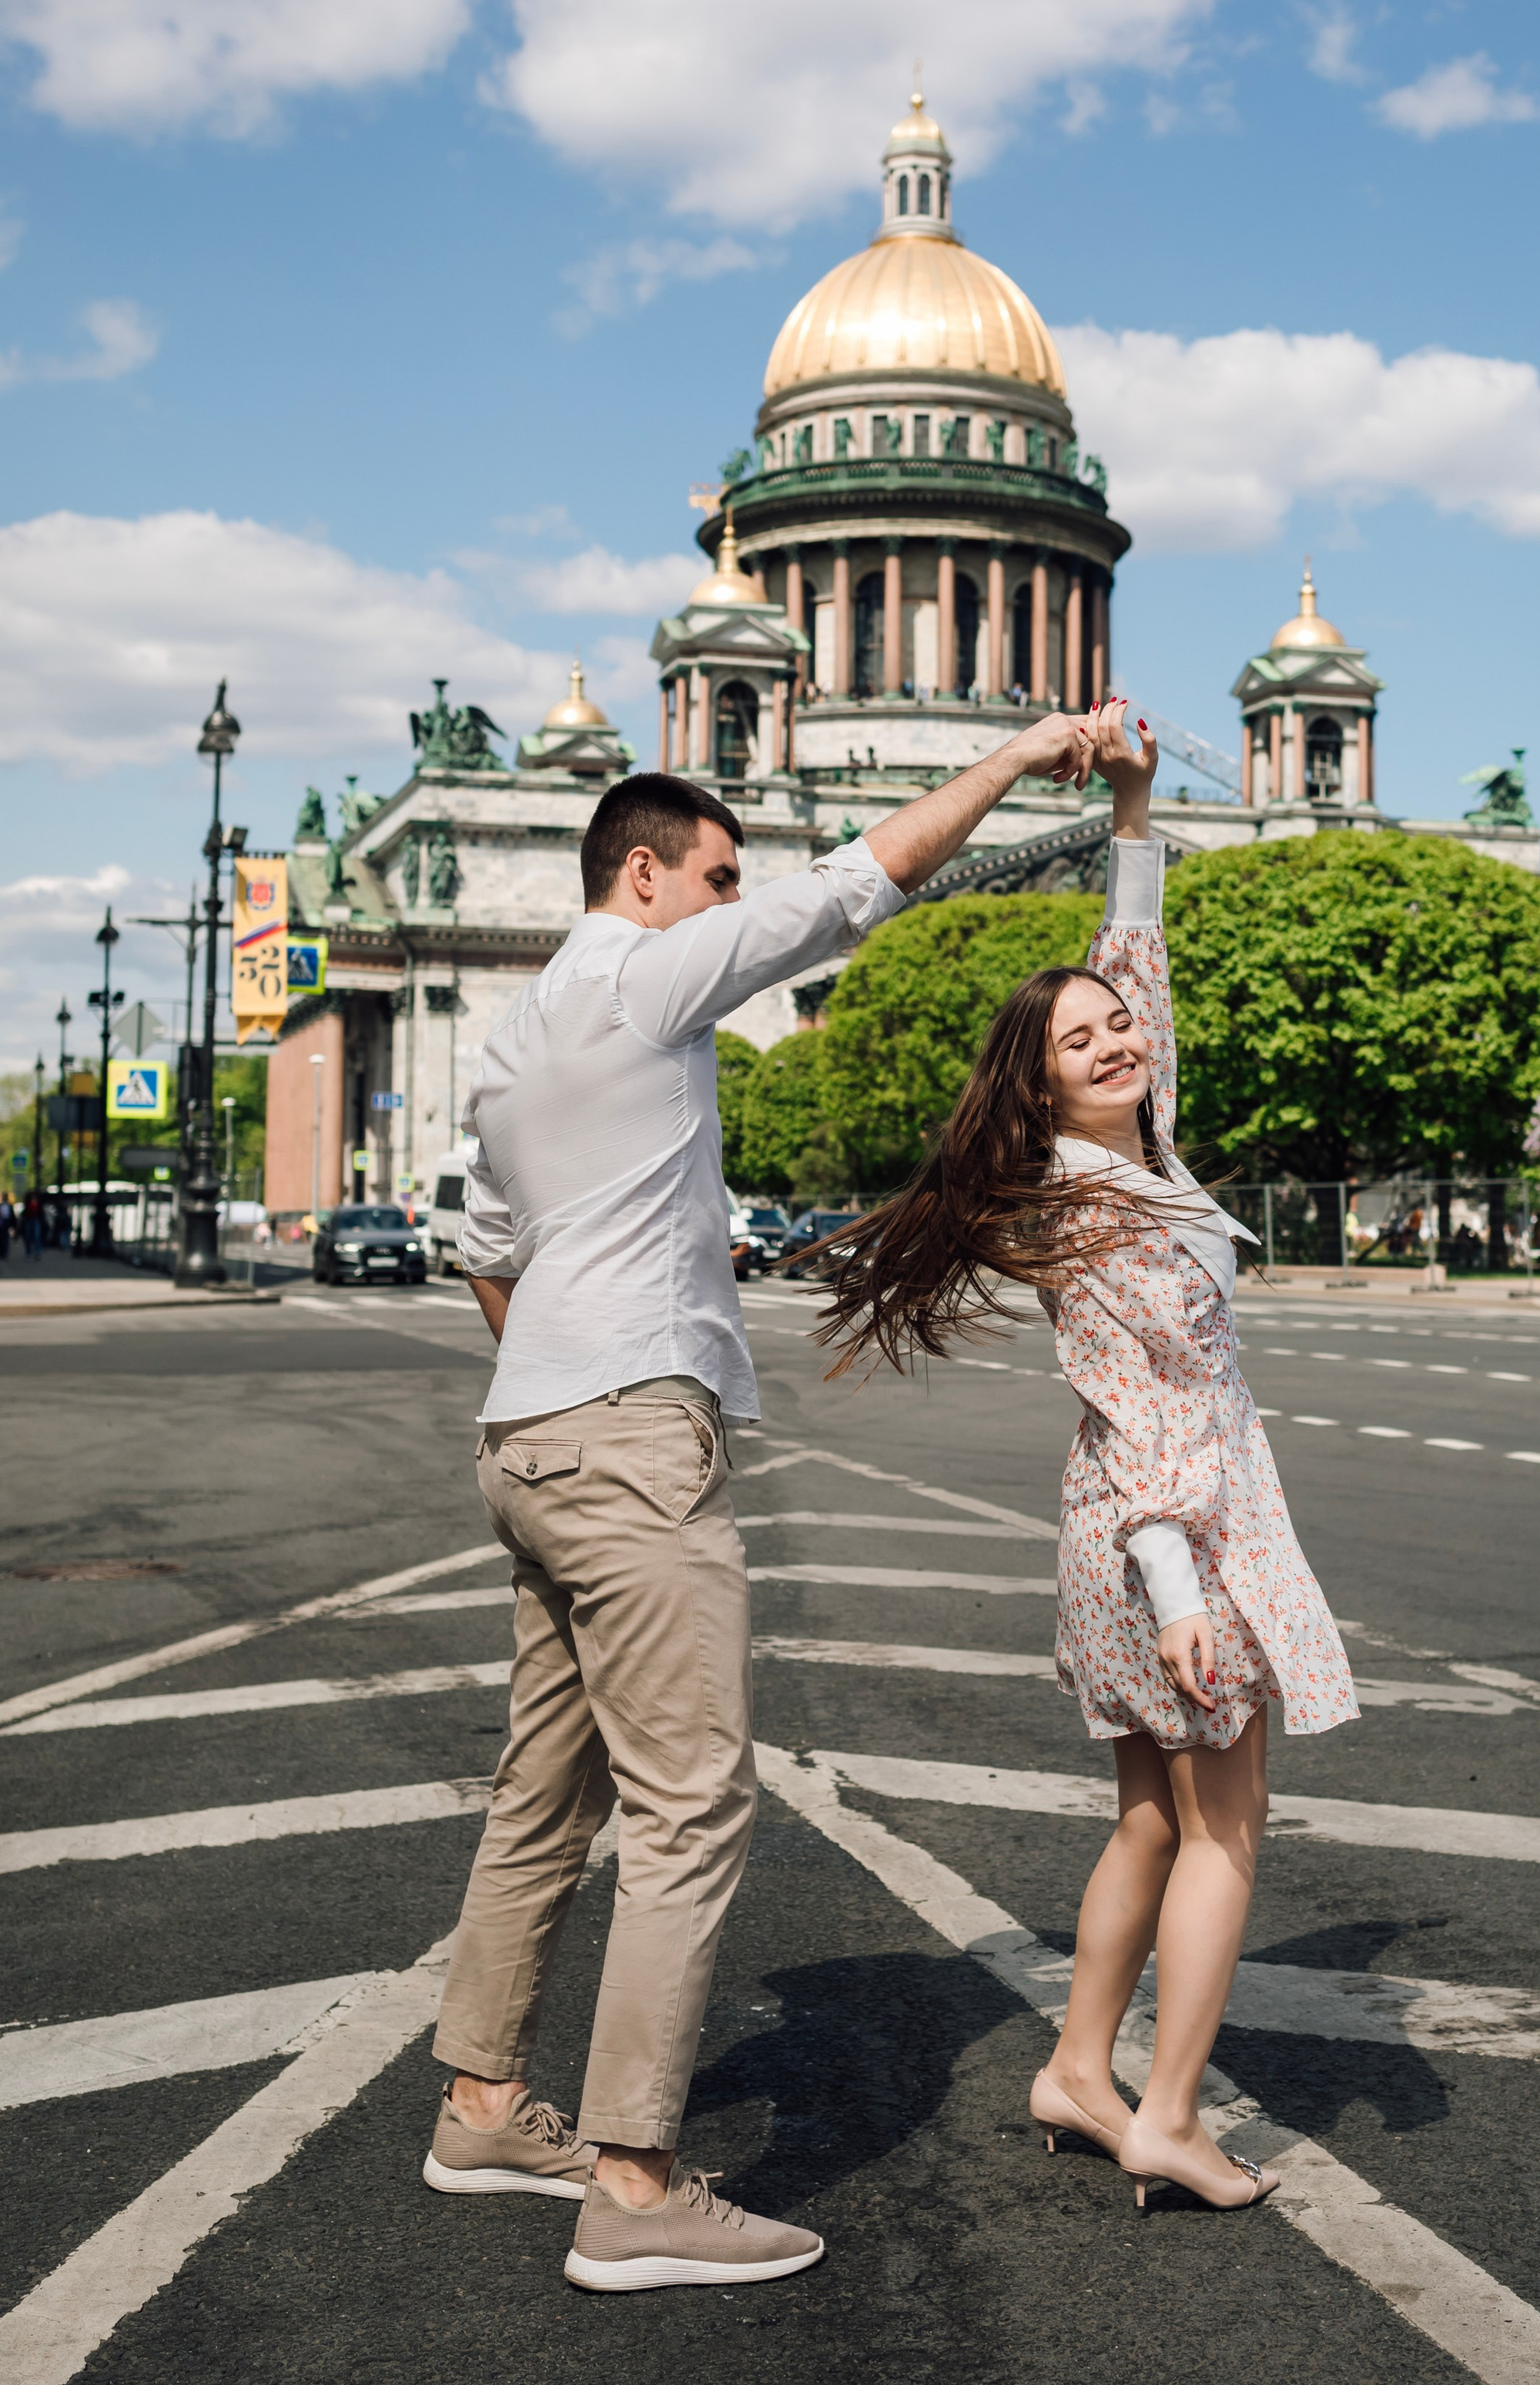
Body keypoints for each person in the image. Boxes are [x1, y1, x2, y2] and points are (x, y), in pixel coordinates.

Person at [427, 724, 1093, 2294]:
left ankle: (480, 2106)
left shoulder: (514, 1038)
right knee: (690, 1804)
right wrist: (1023, 754)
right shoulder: (645, 979)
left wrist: (558, 1370)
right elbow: (865, 881)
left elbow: (486, 1249)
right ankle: (634, 2186)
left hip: (527, 1437)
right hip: (628, 1444)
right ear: (643, 874)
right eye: (719, 877)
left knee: (545, 1791)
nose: (736, 902)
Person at [820, 704, 1357, 2212]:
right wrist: (1180, 1594)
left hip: (1140, 1528)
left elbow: (1135, 959)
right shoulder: (1091, 1210)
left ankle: (1074, 2066)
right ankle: (1169, 2113)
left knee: (1149, 1813)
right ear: (1038, 1085)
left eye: (1119, 1025)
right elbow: (1138, 1417)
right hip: (1167, 1535)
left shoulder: (1137, 1151)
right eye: (1083, 1038)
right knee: (1225, 1831)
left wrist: (1130, 809)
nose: (1120, 1037)